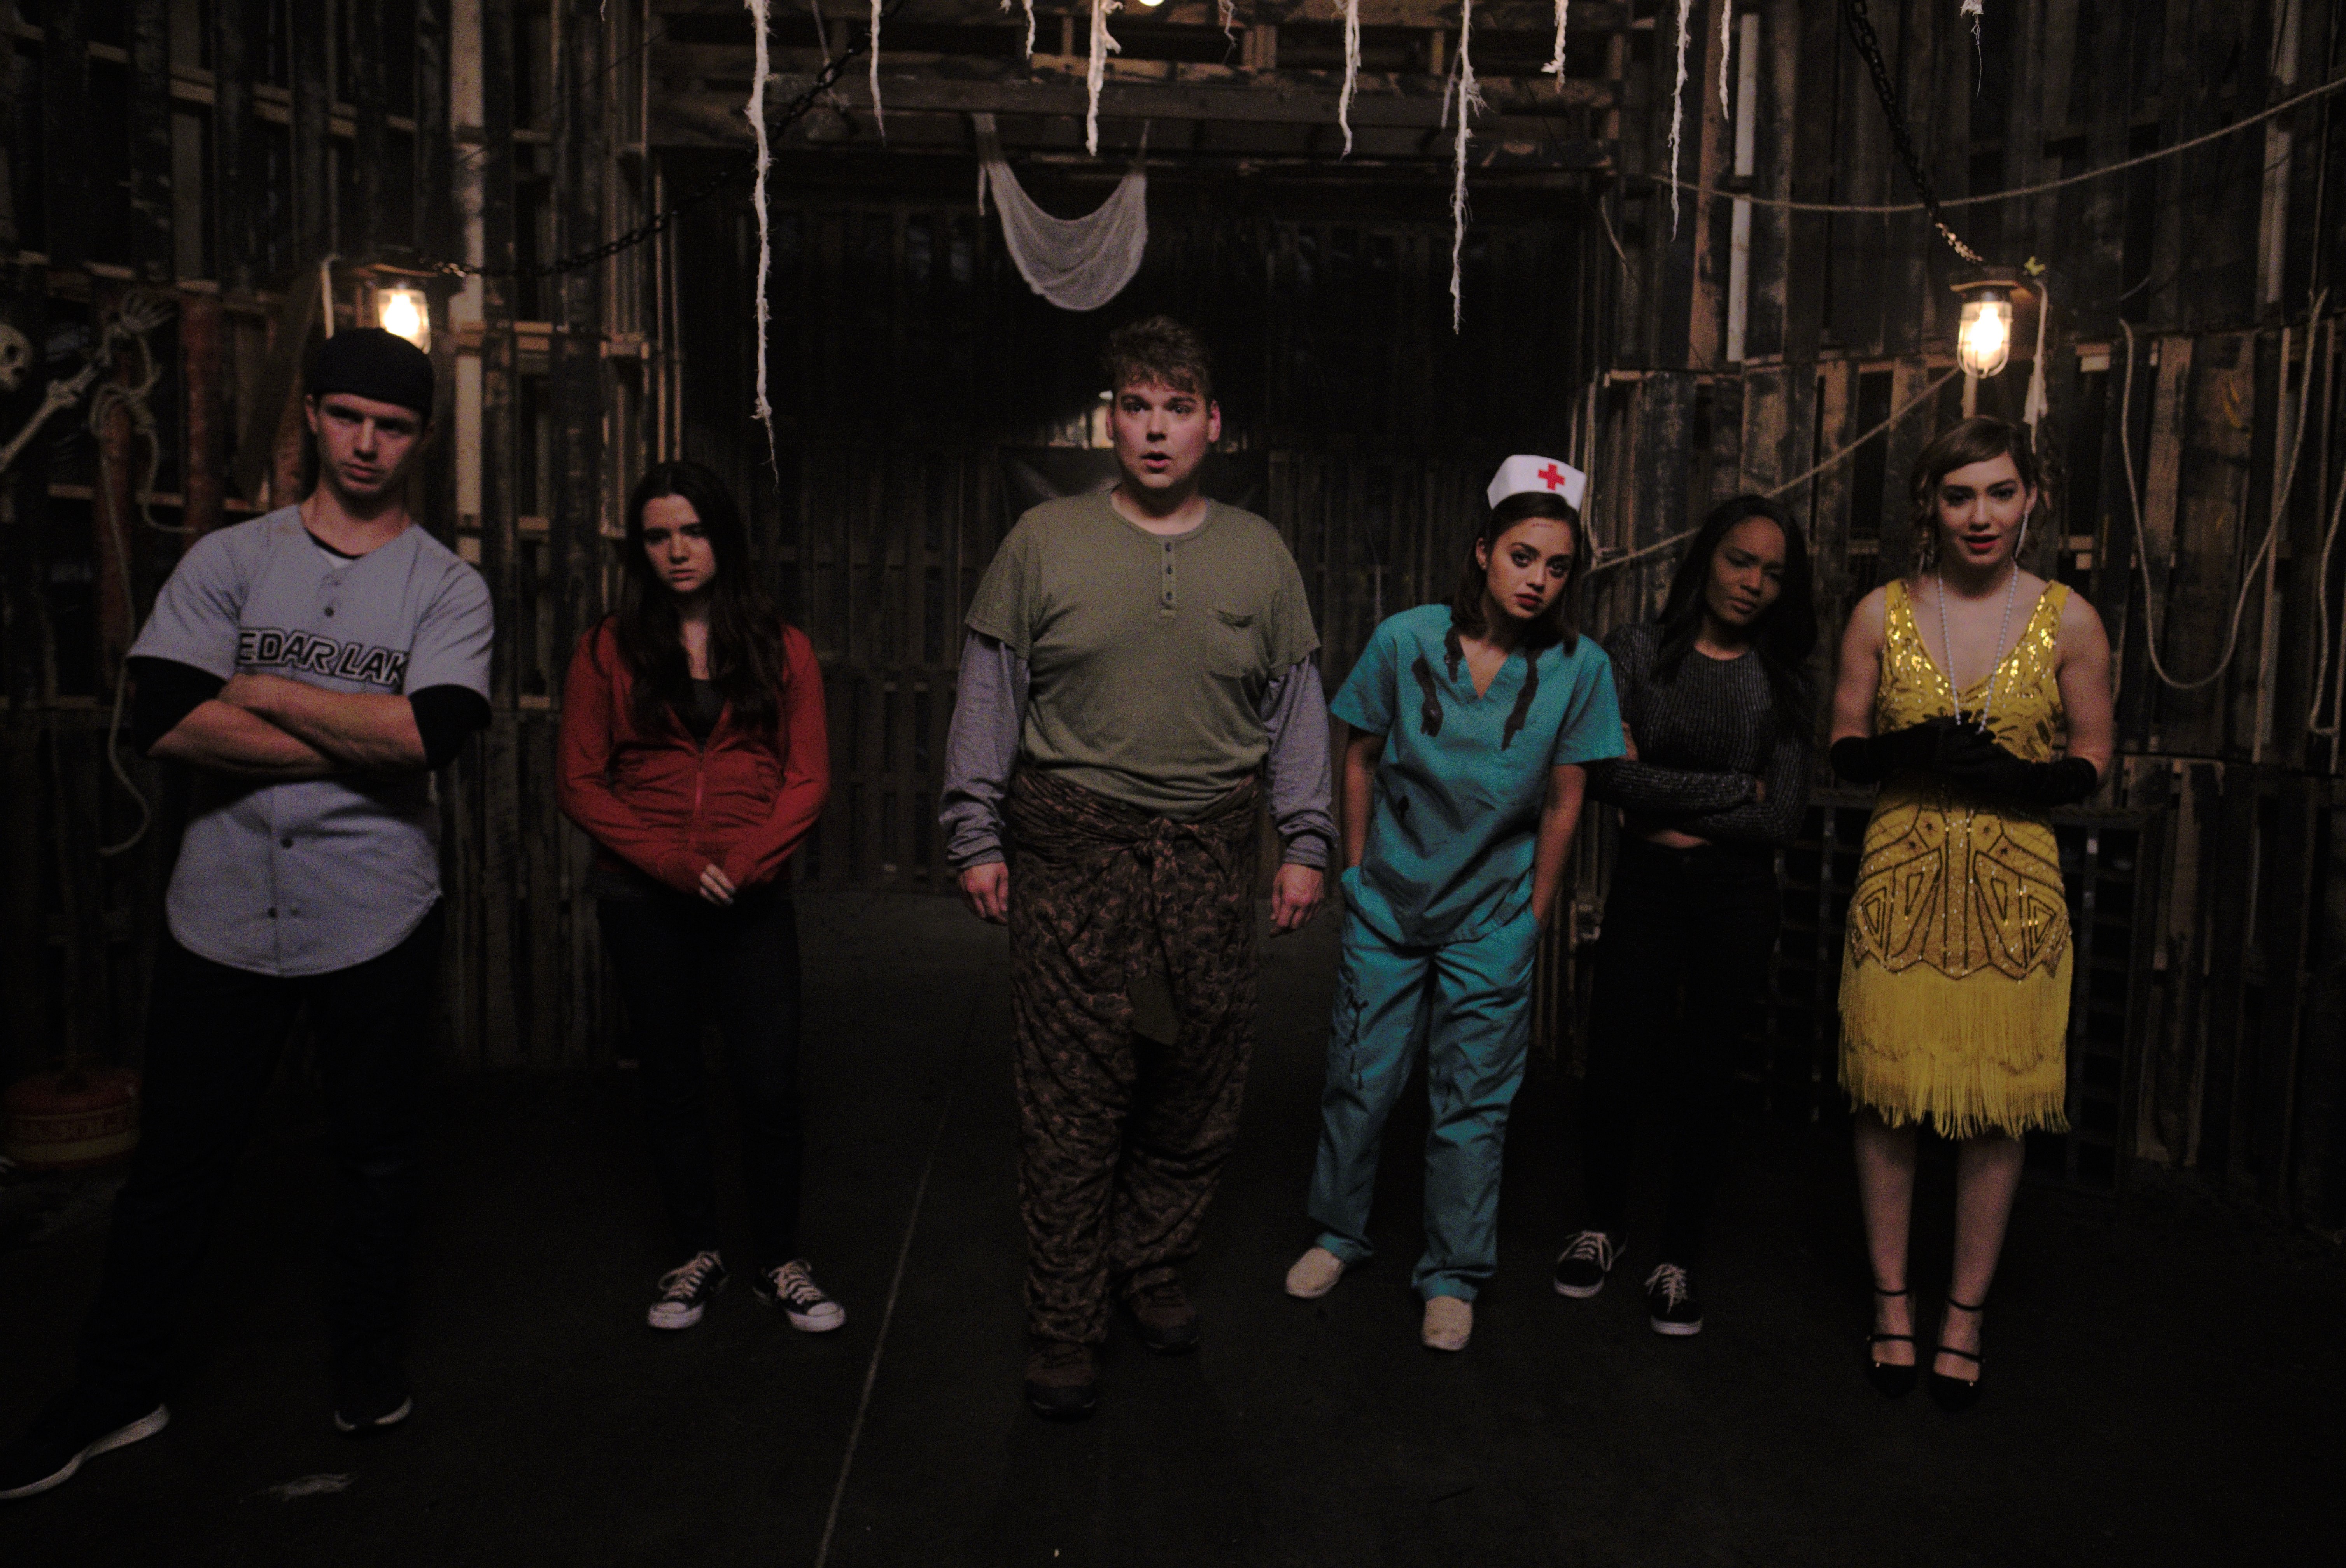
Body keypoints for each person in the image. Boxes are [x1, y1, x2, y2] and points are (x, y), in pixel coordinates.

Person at [0, 329, 494, 1501]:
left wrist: (262, 688)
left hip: (375, 913)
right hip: (220, 913)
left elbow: (428, 737)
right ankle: (117, 1389)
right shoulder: (229, 560)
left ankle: (367, 1365)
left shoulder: (446, 586)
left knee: (376, 1158)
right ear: (311, 416)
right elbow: (165, 720)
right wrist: (358, 734)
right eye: (348, 418)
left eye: (393, 427)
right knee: (175, 1167)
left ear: (420, 440)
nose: (367, 445)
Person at [940, 315, 1334, 1419]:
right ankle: (1065, 1323)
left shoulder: (1258, 553)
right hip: (1074, 854)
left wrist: (1306, 842)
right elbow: (990, 692)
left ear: (1214, 425)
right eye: (1136, 406)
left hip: (1209, 856)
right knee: (1071, 1101)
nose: (1156, 429)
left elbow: (1297, 705)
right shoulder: (1043, 541)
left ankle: (1150, 1267)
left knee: (1193, 1083)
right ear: (1108, 422)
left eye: (1177, 408)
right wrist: (975, 832)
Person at [1283, 455, 1623, 1353]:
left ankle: (1453, 1273)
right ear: (1482, 551)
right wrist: (1358, 874)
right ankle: (1338, 1234)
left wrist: (1532, 917)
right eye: (1522, 556)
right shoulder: (1405, 640)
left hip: (1492, 918)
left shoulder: (1580, 667)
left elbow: (1565, 803)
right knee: (1360, 1079)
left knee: (1473, 1100)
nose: (1537, 580)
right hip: (1389, 905)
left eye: (1557, 567)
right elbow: (1358, 755)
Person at [1828, 416, 2113, 1409]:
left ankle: (1964, 1317)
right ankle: (1891, 1305)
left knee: (1998, 1110)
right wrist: (1900, 751)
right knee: (1886, 1101)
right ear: (1930, 506)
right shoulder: (1880, 613)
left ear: (2031, 499)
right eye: (1959, 496)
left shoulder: (2071, 621)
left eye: (1999, 492)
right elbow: (1842, 743)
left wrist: (2032, 778)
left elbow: (2094, 754)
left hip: (2015, 896)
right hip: (1899, 885)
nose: (1980, 515)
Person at [555, 461, 839, 1336]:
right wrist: (672, 863)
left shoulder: (782, 647)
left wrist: (746, 860)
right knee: (672, 1078)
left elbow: (808, 778)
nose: (677, 551)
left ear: (723, 538)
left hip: (753, 896)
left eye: (693, 531)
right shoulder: (607, 649)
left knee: (769, 1081)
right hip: (644, 898)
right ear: (640, 549)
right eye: (657, 536)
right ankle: (696, 1253)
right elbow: (579, 781)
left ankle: (780, 1260)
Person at [1552, 494, 1818, 1337]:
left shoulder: (1786, 680)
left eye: (1772, 573)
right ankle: (1603, 1225)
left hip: (1737, 896)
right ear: (1706, 559)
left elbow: (1782, 820)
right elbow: (1605, 774)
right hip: (1647, 885)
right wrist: (1737, 787)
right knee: (1616, 1056)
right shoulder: (1634, 650)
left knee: (1708, 1073)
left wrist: (1659, 795)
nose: (1752, 583)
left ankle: (1678, 1258)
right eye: (1739, 560)